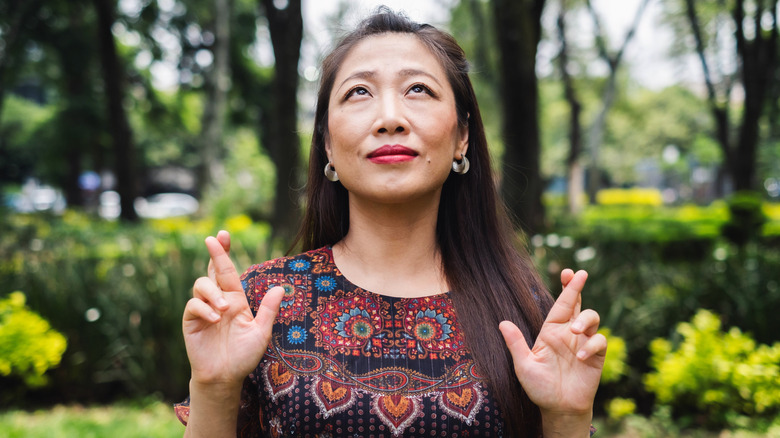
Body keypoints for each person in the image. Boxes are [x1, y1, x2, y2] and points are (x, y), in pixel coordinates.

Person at [177, 8, 606, 438]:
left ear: (462, 136)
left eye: (418, 89)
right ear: (327, 143)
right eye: (359, 92)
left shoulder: (521, 308)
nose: (390, 118)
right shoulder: (261, 304)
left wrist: (566, 417)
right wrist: (214, 388)